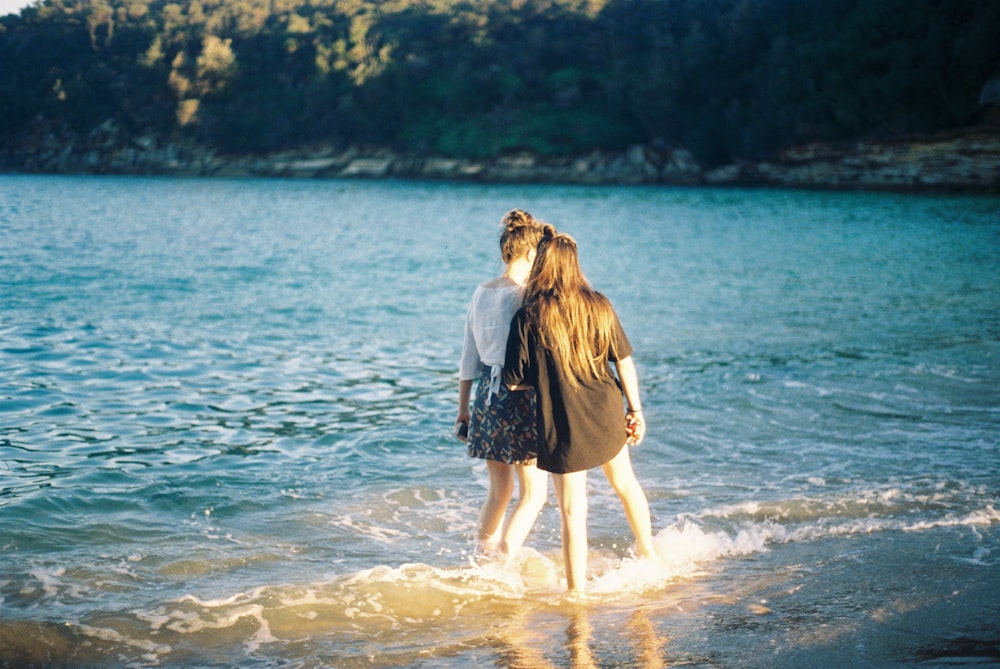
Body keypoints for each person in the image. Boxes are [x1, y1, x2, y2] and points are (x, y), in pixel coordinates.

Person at [504, 230, 658, 594]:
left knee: (573, 510)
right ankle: (650, 554)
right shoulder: (599, 304)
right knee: (626, 485)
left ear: (541, 265)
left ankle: (577, 593)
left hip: (562, 421)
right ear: (575, 265)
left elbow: (513, 381)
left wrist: (545, 379)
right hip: (606, 412)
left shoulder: (528, 316)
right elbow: (624, 363)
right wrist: (635, 410)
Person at [456, 210, 552, 559]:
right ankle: (506, 561)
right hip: (521, 397)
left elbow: (469, 357)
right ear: (530, 254)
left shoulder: (481, 292)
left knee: (498, 491)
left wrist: (462, 411)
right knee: (534, 495)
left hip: (486, 396)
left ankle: (482, 560)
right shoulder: (527, 295)